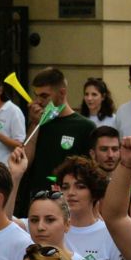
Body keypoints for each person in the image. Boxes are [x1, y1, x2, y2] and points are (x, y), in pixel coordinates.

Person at [16, 69, 93, 216]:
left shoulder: (84, 127)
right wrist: (35, 124)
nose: (38, 101)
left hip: (66, 205)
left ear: (62, 93)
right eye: (36, 95)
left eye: (44, 96)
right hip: (35, 202)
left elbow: (89, 173)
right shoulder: (38, 123)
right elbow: (24, 162)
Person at [55, 158, 120, 260]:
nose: (71, 193)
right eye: (65, 187)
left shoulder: (110, 235)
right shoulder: (50, 228)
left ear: (94, 192)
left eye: (80, 186)